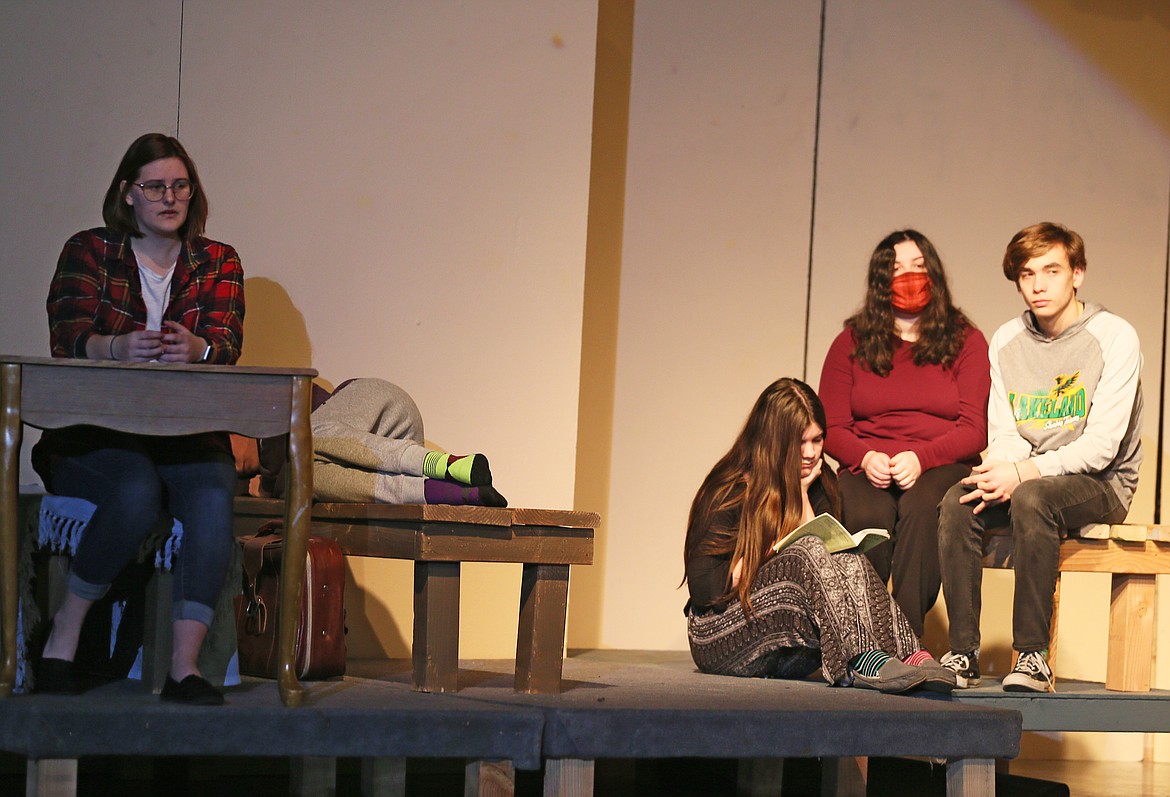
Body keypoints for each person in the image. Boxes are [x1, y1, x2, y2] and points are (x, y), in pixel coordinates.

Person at [30, 133, 244, 705]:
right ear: (128, 193)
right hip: (97, 431)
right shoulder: (90, 250)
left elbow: (227, 342)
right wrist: (113, 347)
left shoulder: (218, 260)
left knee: (212, 492)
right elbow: (66, 336)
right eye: (154, 186)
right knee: (133, 491)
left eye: (180, 185)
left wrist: (198, 349)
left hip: (185, 434)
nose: (169, 197)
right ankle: (63, 635)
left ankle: (184, 668)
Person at [938, 222, 1142, 692]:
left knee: (1033, 499)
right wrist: (999, 472)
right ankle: (962, 653)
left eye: (1052, 270)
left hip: (1103, 483)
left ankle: (1032, 655)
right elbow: (1006, 431)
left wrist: (1022, 473)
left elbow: (1101, 447)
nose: (1039, 285)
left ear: (1078, 274)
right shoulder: (1008, 340)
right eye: (1028, 274)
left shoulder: (1115, 337)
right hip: (1028, 476)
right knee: (957, 499)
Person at [683, 378, 956, 694]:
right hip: (718, 638)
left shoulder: (819, 481)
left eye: (818, 440)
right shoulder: (729, 489)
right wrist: (785, 529)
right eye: (800, 443)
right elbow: (705, 591)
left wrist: (802, 501)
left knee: (842, 552)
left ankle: (910, 653)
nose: (811, 453)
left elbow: (827, 566)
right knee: (807, 549)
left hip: (788, 648)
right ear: (773, 441)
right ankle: (863, 658)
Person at [818, 230, 990, 638]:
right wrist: (864, 457)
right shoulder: (850, 344)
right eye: (896, 270)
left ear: (934, 274)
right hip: (868, 466)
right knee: (867, 515)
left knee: (921, 511)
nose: (909, 278)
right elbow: (831, 427)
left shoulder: (966, 340)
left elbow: (974, 429)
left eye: (918, 267)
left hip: (939, 463)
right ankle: (868, 630)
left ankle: (908, 635)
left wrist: (922, 458)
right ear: (880, 281)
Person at [231, 377, 507, 506]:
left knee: (304, 448)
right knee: (303, 479)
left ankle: (440, 463)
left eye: (223, 448)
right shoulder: (280, 477)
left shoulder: (268, 404)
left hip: (384, 407)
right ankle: (446, 491)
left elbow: (314, 415)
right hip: (390, 460)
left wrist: (269, 483)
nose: (231, 466)